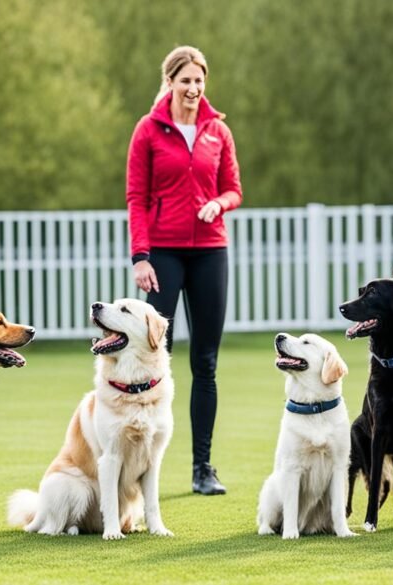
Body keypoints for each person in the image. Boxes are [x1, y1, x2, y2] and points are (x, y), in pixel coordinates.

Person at [126, 46, 243, 496]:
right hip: (164, 253)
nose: (193, 89)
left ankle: (202, 468)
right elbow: (136, 197)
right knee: (155, 357)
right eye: (186, 81)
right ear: (171, 83)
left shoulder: (218, 131)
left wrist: (219, 202)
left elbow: (234, 189)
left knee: (205, 362)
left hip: (211, 251)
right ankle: (140, 469)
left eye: (199, 82)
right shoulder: (148, 130)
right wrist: (141, 257)